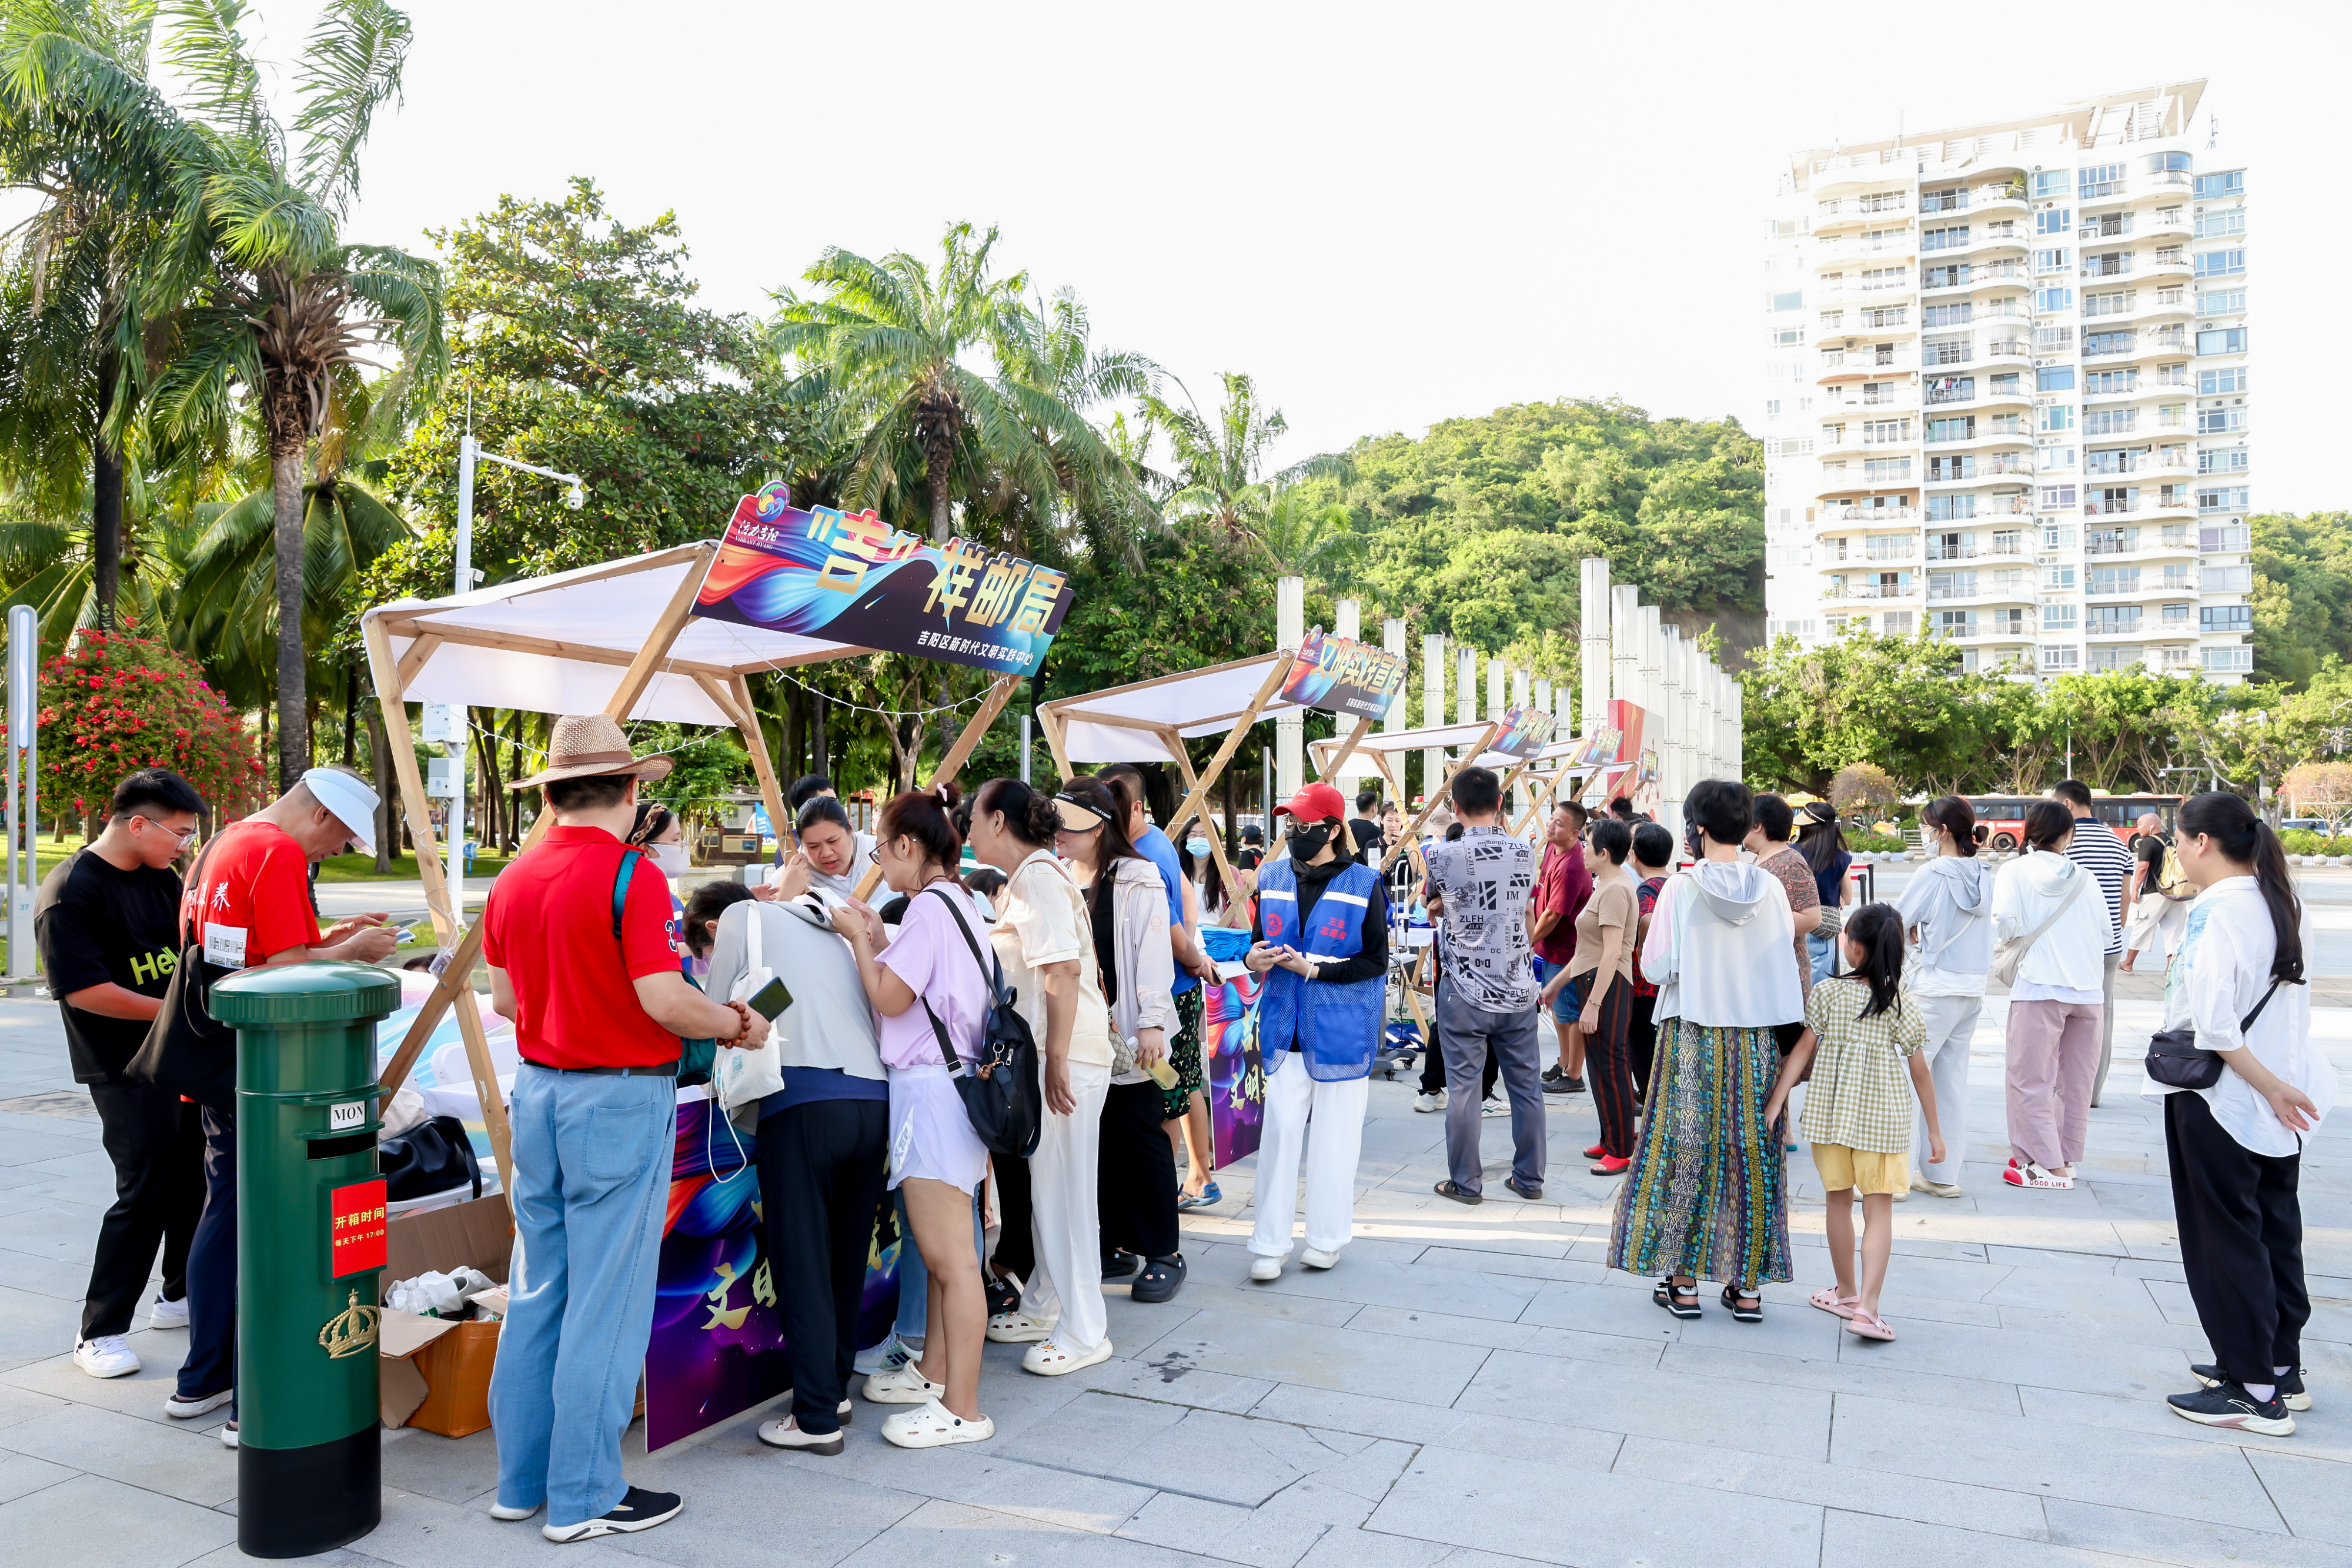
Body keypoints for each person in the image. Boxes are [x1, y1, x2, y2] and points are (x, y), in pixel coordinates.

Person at [483, 717, 768, 1541]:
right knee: (605, 1303)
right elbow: (663, 997)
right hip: (616, 1099)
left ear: (549, 793)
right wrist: (733, 1022)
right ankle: (584, 1494)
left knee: (539, 1289)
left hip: (537, 1093)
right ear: (633, 789)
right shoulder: (632, 876)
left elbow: (505, 1000)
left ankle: (521, 1479)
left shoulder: (513, 876)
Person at [166, 765, 400, 1446]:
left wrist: (331, 941)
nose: (336, 851)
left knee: (225, 1212)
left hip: (221, 1060)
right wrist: (350, 952)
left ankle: (202, 1375)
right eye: (343, 839)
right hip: (272, 1068)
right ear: (322, 816)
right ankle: (256, 1400)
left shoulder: (226, 843)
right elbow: (290, 976)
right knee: (273, 1227)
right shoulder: (277, 853)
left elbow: (246, 960)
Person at [2149, 791, 2335, 1435]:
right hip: (2279, 1099)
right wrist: (2281, 1087)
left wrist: (2267, 1086)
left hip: (2224, 1097)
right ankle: (2280, 1367)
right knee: (2274, 1230)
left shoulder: (2214, 910)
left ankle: (2251, 1388)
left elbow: (2213, 1024)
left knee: (2223, 1239)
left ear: (2202, 843)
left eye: (2177, 838)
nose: (2175, 848)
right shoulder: (2282, 898)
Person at [830, 784, 1002, 1447]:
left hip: (930, 1095)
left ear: (907, 846)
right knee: (945, 1256)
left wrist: (855, 939)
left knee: (951, 1259)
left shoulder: (929, 908)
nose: (880, 862)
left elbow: (890, 996)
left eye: (881, 848)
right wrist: (876, 933)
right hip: (954, 1093)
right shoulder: (960, 901)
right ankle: (937, 1373)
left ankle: (962, 1408)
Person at [1611, 778, 1802, 1322]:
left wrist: (1695, 963)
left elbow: (1654, 966)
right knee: (1752, 1155)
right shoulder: (1771, 889)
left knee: (1685, 1152)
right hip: (1758, 1039)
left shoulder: (1680, 889)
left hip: (1693, 1032)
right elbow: (1783, 966)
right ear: (1746, 827)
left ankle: (1684, 1281)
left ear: (1697, 828)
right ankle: (1747, 1288)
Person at [42, 769, 208, 1383]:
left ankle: (178, 1294)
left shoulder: (161, 878)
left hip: (178, 1054)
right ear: (138, 824)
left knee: (195, 1172)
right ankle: (100, 1330)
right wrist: (178, 1012)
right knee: (145, 1189)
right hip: (122, 1066)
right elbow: (86, 992)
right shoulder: (72, 890)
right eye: (180, 833)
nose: (185, 846)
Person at [965, 777, 1117, 1376]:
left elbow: (1060, 969)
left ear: (999, 821)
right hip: (1061, 1052)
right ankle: (1044, 1304)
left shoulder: (1035, 879)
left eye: (973, 818)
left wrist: (1053, 1060)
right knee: (1051, 1188)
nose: (968, 829)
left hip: (1067, 1056)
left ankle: (1084, 1331)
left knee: (1064, 1194)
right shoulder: (1029, 880)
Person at [1764, 903, 1943, 1343]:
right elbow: (1921, 1071)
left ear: (1854, 946)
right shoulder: (1899, 1003)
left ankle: (1845, 1292)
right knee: (1878, 1211)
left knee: (1837, 1202)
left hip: (1830, 1118)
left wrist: (1776, 1104)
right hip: (1881, 1122)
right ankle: (1867, 1308)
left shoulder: (1827, 993)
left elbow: (1802, 1052)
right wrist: (1935, 1131)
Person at [1242, 782, 1386, 1275]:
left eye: (1304, 825)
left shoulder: (1365, 882)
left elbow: (1375, 960)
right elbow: (1256, 940)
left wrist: (1316, 971)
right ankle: (1269, 1243)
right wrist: (1252, 957)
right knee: (1280, 1134)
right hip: (1284, 1026)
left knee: (1336, 1137)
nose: (1295, 832)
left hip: (1341, 1027)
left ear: (1333, 828)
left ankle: (1326, 1237)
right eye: (1290, 824)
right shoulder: (1274, 875)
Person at [1052, 778, 1185, 1303]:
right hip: (1084, 1034)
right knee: (1099, 1140)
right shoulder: (1061, 874)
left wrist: (1153, 1019)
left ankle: (1163, 1251)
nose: (1058, 831)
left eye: (1067, 821)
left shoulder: (1138, 876)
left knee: (1142, 1136)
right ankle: (1112, 1245)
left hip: (1131, 1032)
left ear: (1097, 823)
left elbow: (1153, 950)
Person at [1093, 763, 1220, 1219]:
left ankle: (1168, 1192)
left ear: (1136, 806)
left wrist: (1193, 959)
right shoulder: (1152, 845)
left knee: (1168, 1095)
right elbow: (1186, 901)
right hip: (1170, 987)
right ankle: (1189, 1180)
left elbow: (1168, 929)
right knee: (1179, 1088)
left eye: (1110, 809)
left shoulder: (1146, 854)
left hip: (1166, 995)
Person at [1425, 767, 1546, 1203]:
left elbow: (1433, 901)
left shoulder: (1440, 855)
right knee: (1527, 1088)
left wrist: (1441, 902)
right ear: (1500, 803)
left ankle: (1466, 1183)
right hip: (1517, 986)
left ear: (1454, 807)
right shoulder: (1525, 852)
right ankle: (1530, 1179)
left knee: (1464, 1089)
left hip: (1464, 989)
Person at [1991, 800, 2109, 1191]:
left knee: (2030, 1078)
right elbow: (2108, 935)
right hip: (2089, 991)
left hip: (2040, 987)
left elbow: (2005, 924)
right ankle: (2065, 1156)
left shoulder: (2014, 870)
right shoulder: (2087, 877)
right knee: (2076, 1080)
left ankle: (2044, 1165)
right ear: (2068, 834)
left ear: (2030, 830)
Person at [1897, 797, 1992, 1199]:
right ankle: (1942, 1174)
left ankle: (1894, 1177)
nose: (1926, 833)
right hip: (1971, 989)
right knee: (1950, 1081)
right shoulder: (1985, 872)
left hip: (1933, 990)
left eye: (1928, 826)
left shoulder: (1933, 872)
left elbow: (1896, 921)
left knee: (1902, 1078)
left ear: (1943, 831)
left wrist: (1915, 933)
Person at [1539, 817, 1639, 1174]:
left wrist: (1595, 1004)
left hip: (1607, 985)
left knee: (1611, 1066)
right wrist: (1555, 986)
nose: (1582, 847)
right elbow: (1587, 951)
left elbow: (1612, 953)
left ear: (1604, 853)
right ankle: (1611, 1138)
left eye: (1588, 842)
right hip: (1593, 979)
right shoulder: (1606, 884)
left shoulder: (1615, 889)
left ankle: (1623, 1147)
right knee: (1600, 1066)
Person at [2051, 780, 2132, 1106]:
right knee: (2101, 1018)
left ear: (2067, 805)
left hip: (2071, 945)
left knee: (2059, 1016)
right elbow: (2125, 901)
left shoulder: (2065, 843)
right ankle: (2090, 1094)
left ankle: (2060, 1089)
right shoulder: (2117, 842)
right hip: (2108, 947)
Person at [1531, 801, 1593, 1095]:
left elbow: (1554, 914)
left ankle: (1575, 1074)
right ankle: (1564, 1061)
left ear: (1575, 834)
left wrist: (1527, 941)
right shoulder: (1551, 848)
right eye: (1552, 819)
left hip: (1567, 951)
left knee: (1571, 1014)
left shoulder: (1572, 866)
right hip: (1551, 947)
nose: (1551, 825)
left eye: (1559, 824)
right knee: (1558, 1010)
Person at [1746, 794, 1824, 1011]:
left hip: (1786, 971)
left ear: (1757, 826)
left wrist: (1757, 923)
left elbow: (1812, 918)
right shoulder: (1760, 858)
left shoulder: (1790, 862)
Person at [1626, 823, 1673, 1101]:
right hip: (1672, 982)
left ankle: (1651, 1103)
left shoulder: (1647, 890)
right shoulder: (1677, 884)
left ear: (1635, 856)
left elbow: (1647, 918)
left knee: (1643, 1049)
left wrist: (1644, 950)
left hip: (1646, 986)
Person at [625, 802, 692, 968]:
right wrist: (697, 945)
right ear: (646, 849)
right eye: (676, 840)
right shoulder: (639, 899)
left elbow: (692, 965)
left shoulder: (672, 900)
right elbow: (650, 955)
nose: (683, 847)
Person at [2123, 811, 2190, 975]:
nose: (2137, 828)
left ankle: (2128, 963)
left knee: (2142, 925)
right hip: (2175, 892)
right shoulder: (2171, 841)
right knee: (2174, 931)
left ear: (2152, 825)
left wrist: (2135, 889)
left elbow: (2143, 867)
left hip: (2155, 891)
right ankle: (2171, 969)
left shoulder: (2149, 841)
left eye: (2140, 824)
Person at [1796, 801, 1853, 982]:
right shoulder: (1840, 857)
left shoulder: (1792, 853)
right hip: (1824, 929)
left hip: (1796, 925)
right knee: (1819, 990)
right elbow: (1849, 898)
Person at [1347, 790, 1386, 867]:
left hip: (1346, 871)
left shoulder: (1346, 826)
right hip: (1368, 874)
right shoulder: (1378, 832)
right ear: (1374, 808)